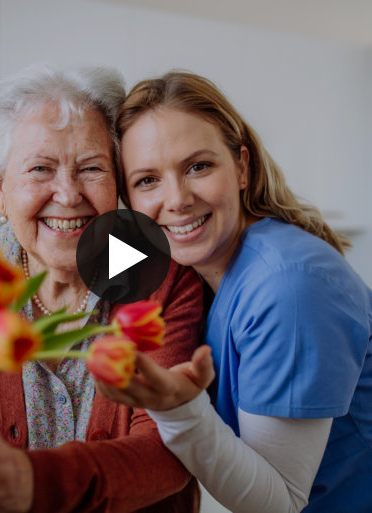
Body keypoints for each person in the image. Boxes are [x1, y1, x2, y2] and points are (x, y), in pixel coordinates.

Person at [0, 65, 205, 512]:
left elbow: (172, 448)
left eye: (91, 168)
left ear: (117, 184)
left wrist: (34, 481)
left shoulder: (161, 277)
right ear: (0, 191)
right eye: (41, 169)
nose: (67, 194)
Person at [98, 71, 372, 513]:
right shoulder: (194, 262)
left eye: (198, 167)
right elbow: (77, 262)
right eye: (148, 180)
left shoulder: (288, 288)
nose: (178, 199)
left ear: (241, 168)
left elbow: (279, 502)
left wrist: (178, 410)